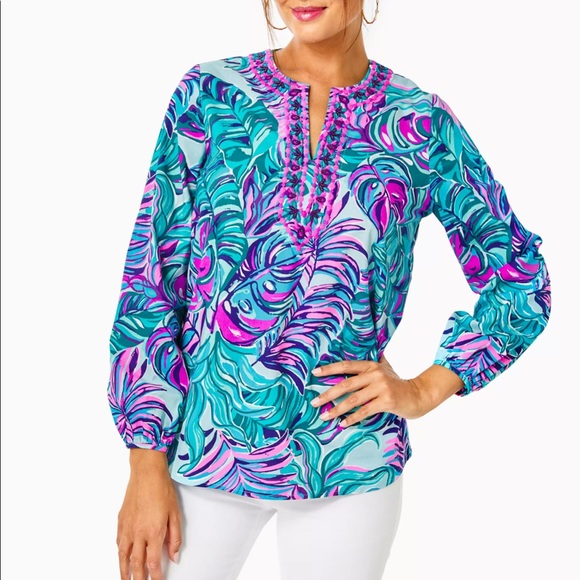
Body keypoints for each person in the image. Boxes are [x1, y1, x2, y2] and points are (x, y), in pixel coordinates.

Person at [106, 1, 552, 579]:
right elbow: (151, 278)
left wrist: (425, 388)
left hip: (350, 464)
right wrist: (144, 463)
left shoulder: (420, 123)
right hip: (203, 450)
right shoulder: (210, 96)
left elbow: (521, 278)